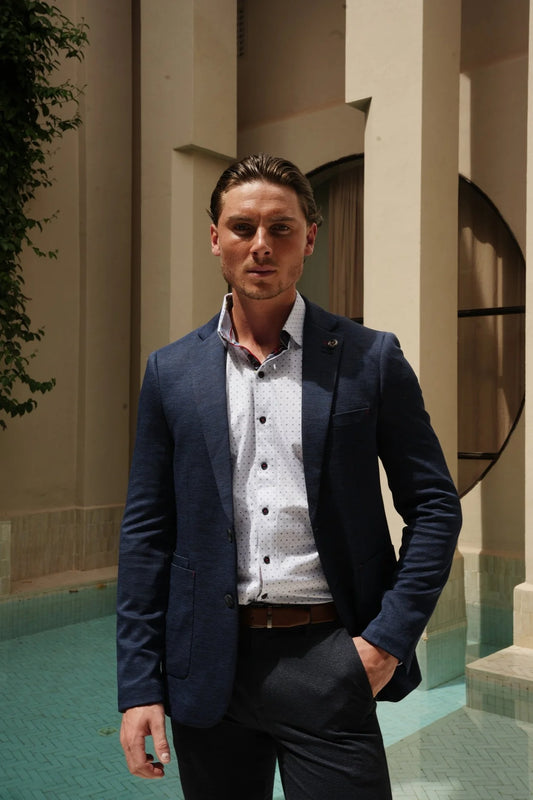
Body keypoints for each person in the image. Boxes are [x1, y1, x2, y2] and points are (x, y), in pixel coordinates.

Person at [117, 153, 462, 800]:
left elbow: (435, 508)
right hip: (209, 671)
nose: (260, 246)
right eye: (242, 227)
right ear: (215, 238)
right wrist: (139, 685)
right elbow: (146, 535)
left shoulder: (370, 359)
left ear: (309, 236)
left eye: (279, 228)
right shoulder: (171, 374)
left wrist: (384, 642)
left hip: (330, 660)